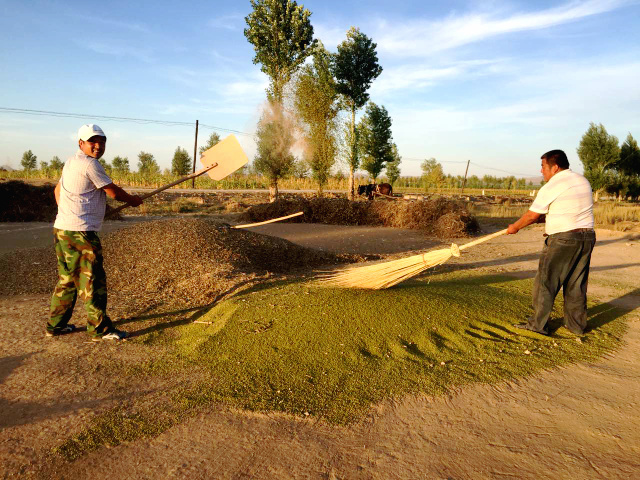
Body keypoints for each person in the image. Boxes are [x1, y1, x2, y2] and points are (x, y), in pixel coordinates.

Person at [46, 124, 143, 341]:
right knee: (93, 281)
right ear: (81, 143)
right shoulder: (90, 165)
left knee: (68, 279)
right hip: (80, 233)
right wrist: (134, 200)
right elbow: (113, 192)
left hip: (62, 229)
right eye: (92, 142)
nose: (98, 146)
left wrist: (68, 213)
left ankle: (56, 325)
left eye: (102, 141)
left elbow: (57, 191)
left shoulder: (71, 163)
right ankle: (100, 329)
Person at [507, 149, 595, 336]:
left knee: (546, 282)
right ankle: (576, 326)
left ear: (554, 167)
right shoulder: (582, 180)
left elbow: (531, 215)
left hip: (563, 239)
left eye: (543, 166)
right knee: (576, 284)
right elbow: (566, 210)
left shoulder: (554, 185)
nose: (541, 171)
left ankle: (537, 325)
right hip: (587, 237)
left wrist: (515, 227)